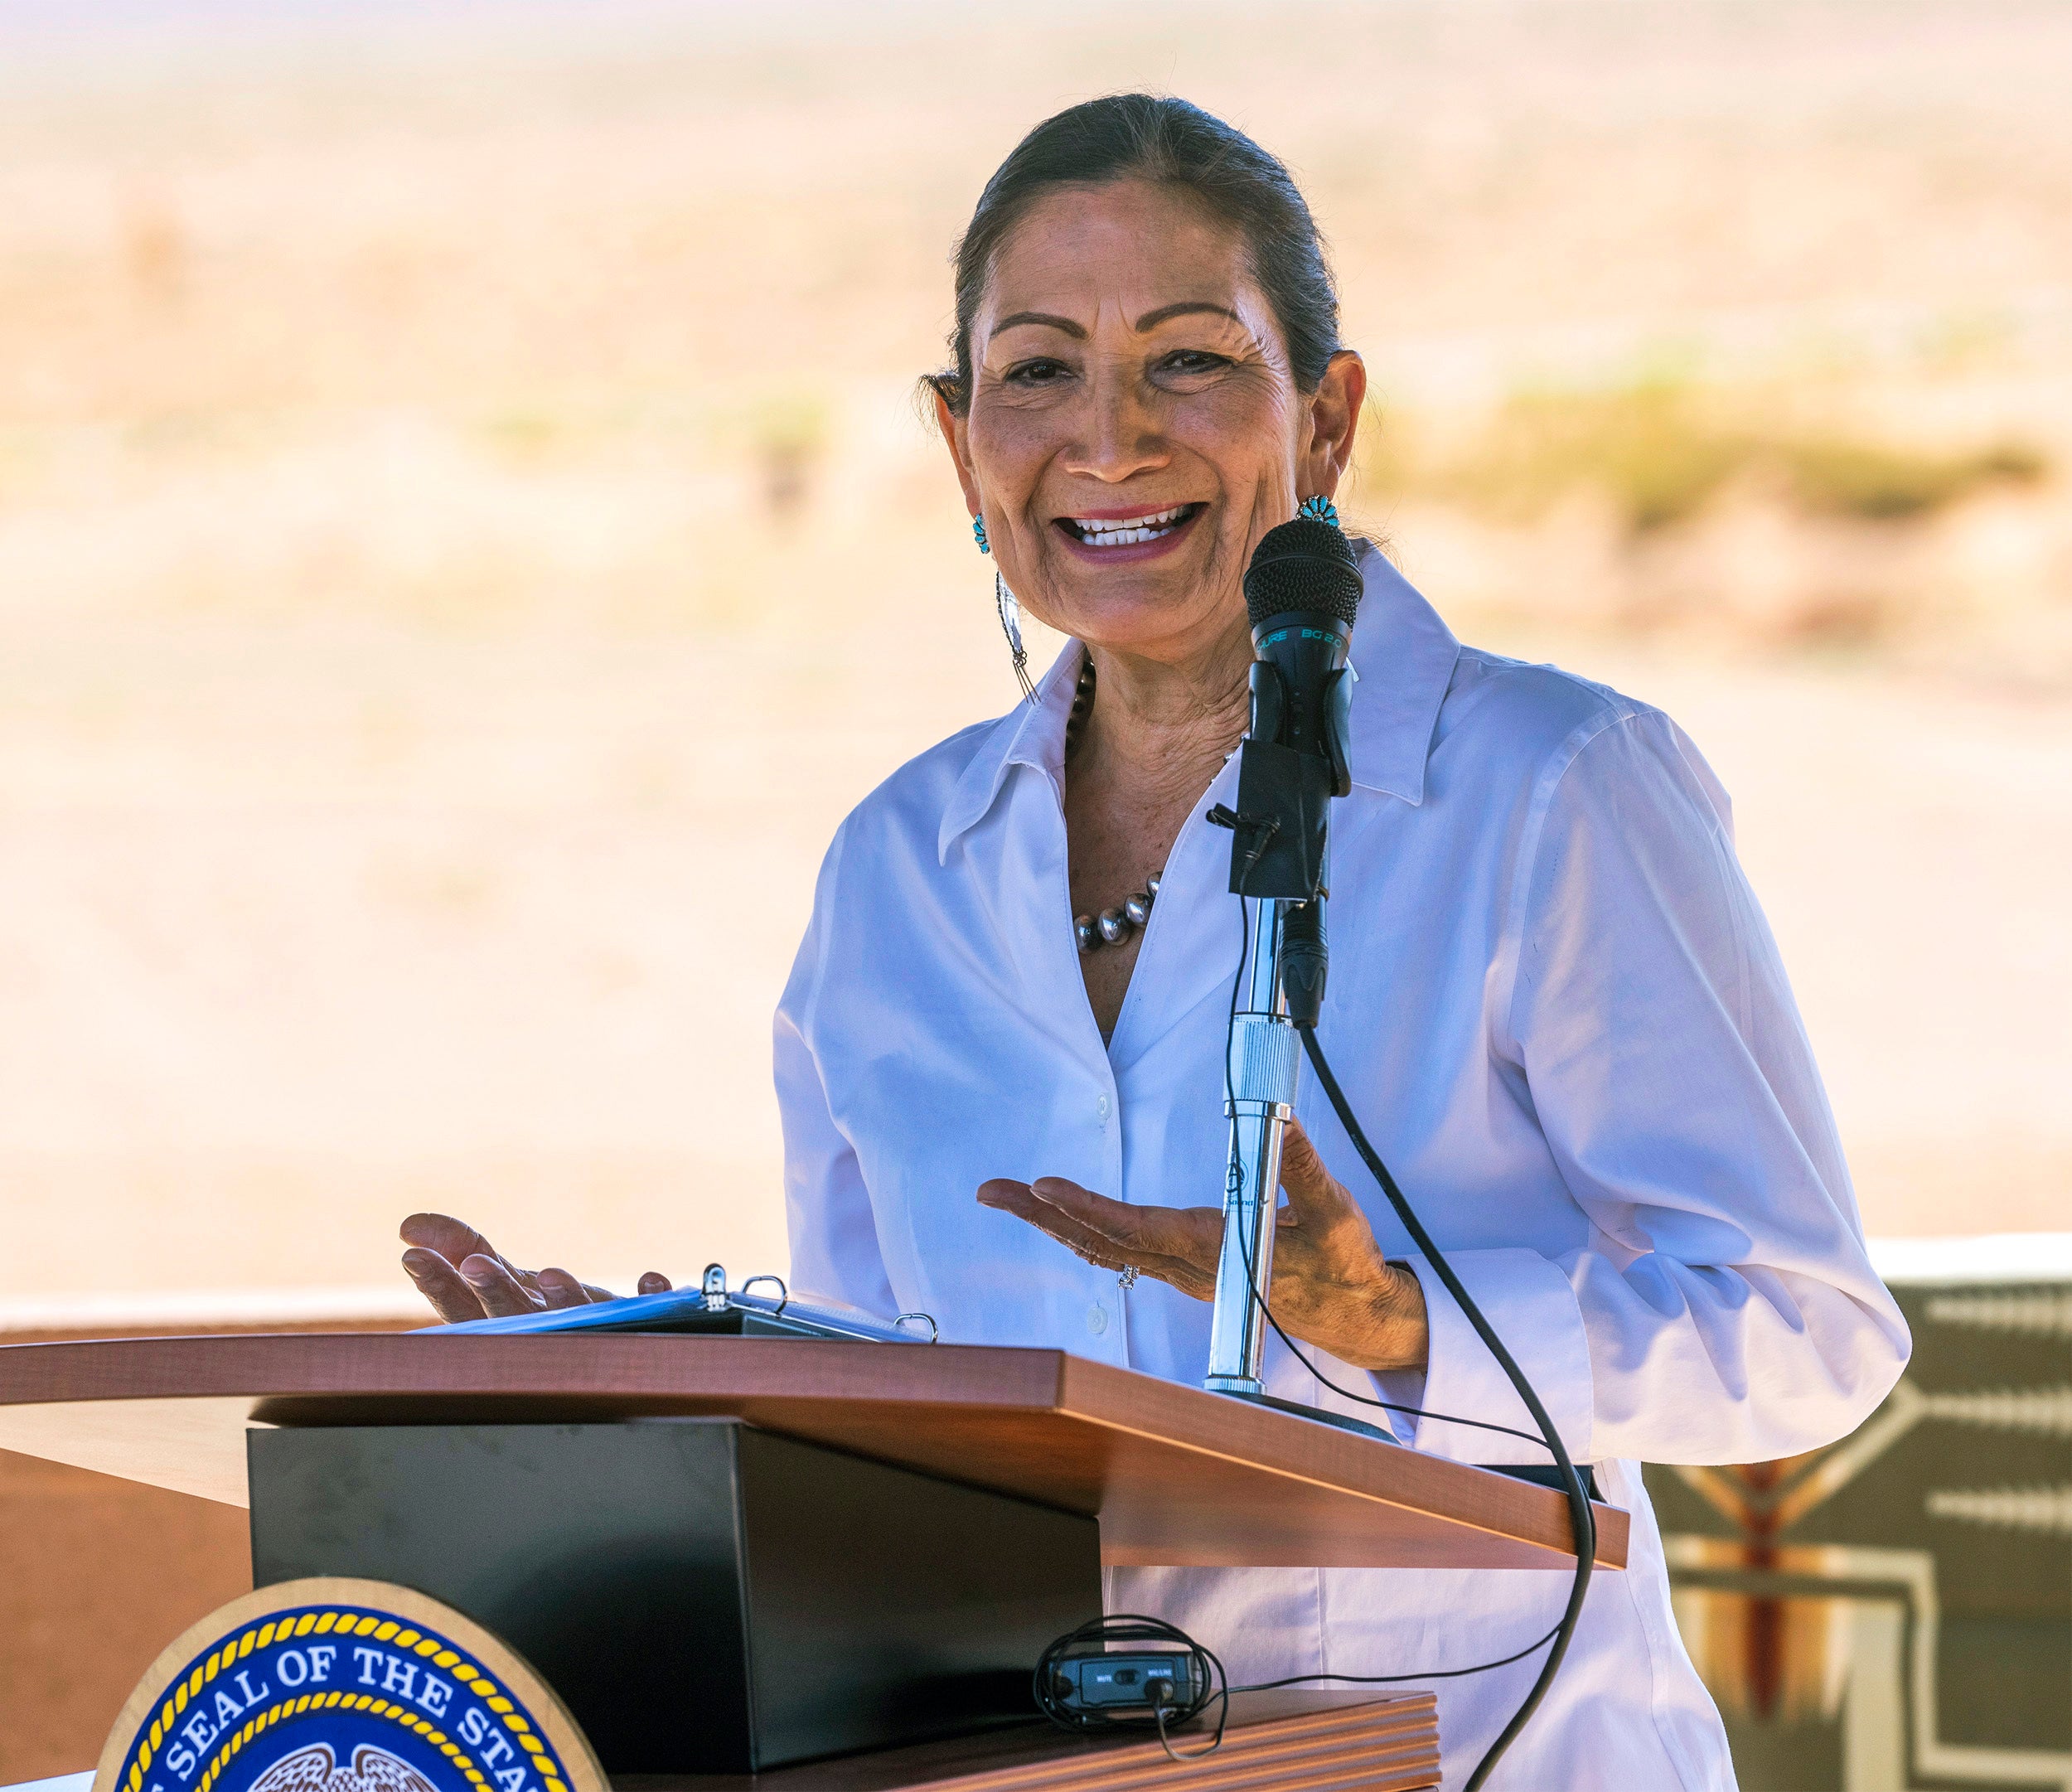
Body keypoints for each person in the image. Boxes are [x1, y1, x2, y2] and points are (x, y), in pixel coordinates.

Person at [402, 94, 1910, 1790]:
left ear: (1323, 418)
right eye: (1035, 370)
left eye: (1188, 359)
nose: (1106, 438)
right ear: (960, 438)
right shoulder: (894, 871)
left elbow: (1799, 1338)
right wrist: (677, 1388)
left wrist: (1392, 1320)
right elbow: (902, 1419)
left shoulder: (1546, 787)